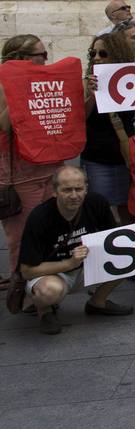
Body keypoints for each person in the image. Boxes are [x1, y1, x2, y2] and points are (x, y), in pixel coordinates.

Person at [19, 166, 131, 334]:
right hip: (52, 273)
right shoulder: (39, 217)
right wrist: (69, 263)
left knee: (131, 259)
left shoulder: (97, 203)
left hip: (86, 266)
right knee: (49, 291)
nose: (74, 195)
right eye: (67, 190)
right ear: (55, 191)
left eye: (78, 189)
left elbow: (115, 240)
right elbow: (27, 271)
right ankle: (45, 311)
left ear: (86, 189)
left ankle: (97, 302)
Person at [0, 35, 68, 284]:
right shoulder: (3, 81)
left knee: (52, 226)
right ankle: (22, 283)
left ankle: (47, 278)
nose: (46, 60)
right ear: (21, 58)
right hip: (20, 171)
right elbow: (3, 125)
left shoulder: (44, 78)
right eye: (41, 55)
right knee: (21, 232)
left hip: (49, 164)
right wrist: (22, 88)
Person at [80, 31, 135, 224]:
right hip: (97, 158)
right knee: (100, 210)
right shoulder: (86, 83)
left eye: (103, 54)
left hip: (128, 157)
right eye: (93, 54)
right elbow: (80, 118)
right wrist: (91, 94)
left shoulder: (134, 79)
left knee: (129, 211)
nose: (97, 58)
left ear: (117, 54)